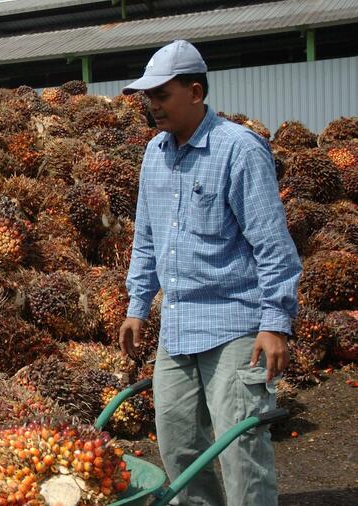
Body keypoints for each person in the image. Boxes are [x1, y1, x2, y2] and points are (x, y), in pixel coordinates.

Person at [117, 40, 301, 505]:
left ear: (195, 92)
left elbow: (273, 245)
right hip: (177, 326)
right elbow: (147, 240)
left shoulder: (239, 150)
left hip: (235, 326)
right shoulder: (154, 155)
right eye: (148, 96)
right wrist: (138, 306)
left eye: (162, 94)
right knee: (179, 449)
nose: (152, 105)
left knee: (242, 450)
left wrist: (276, 324)